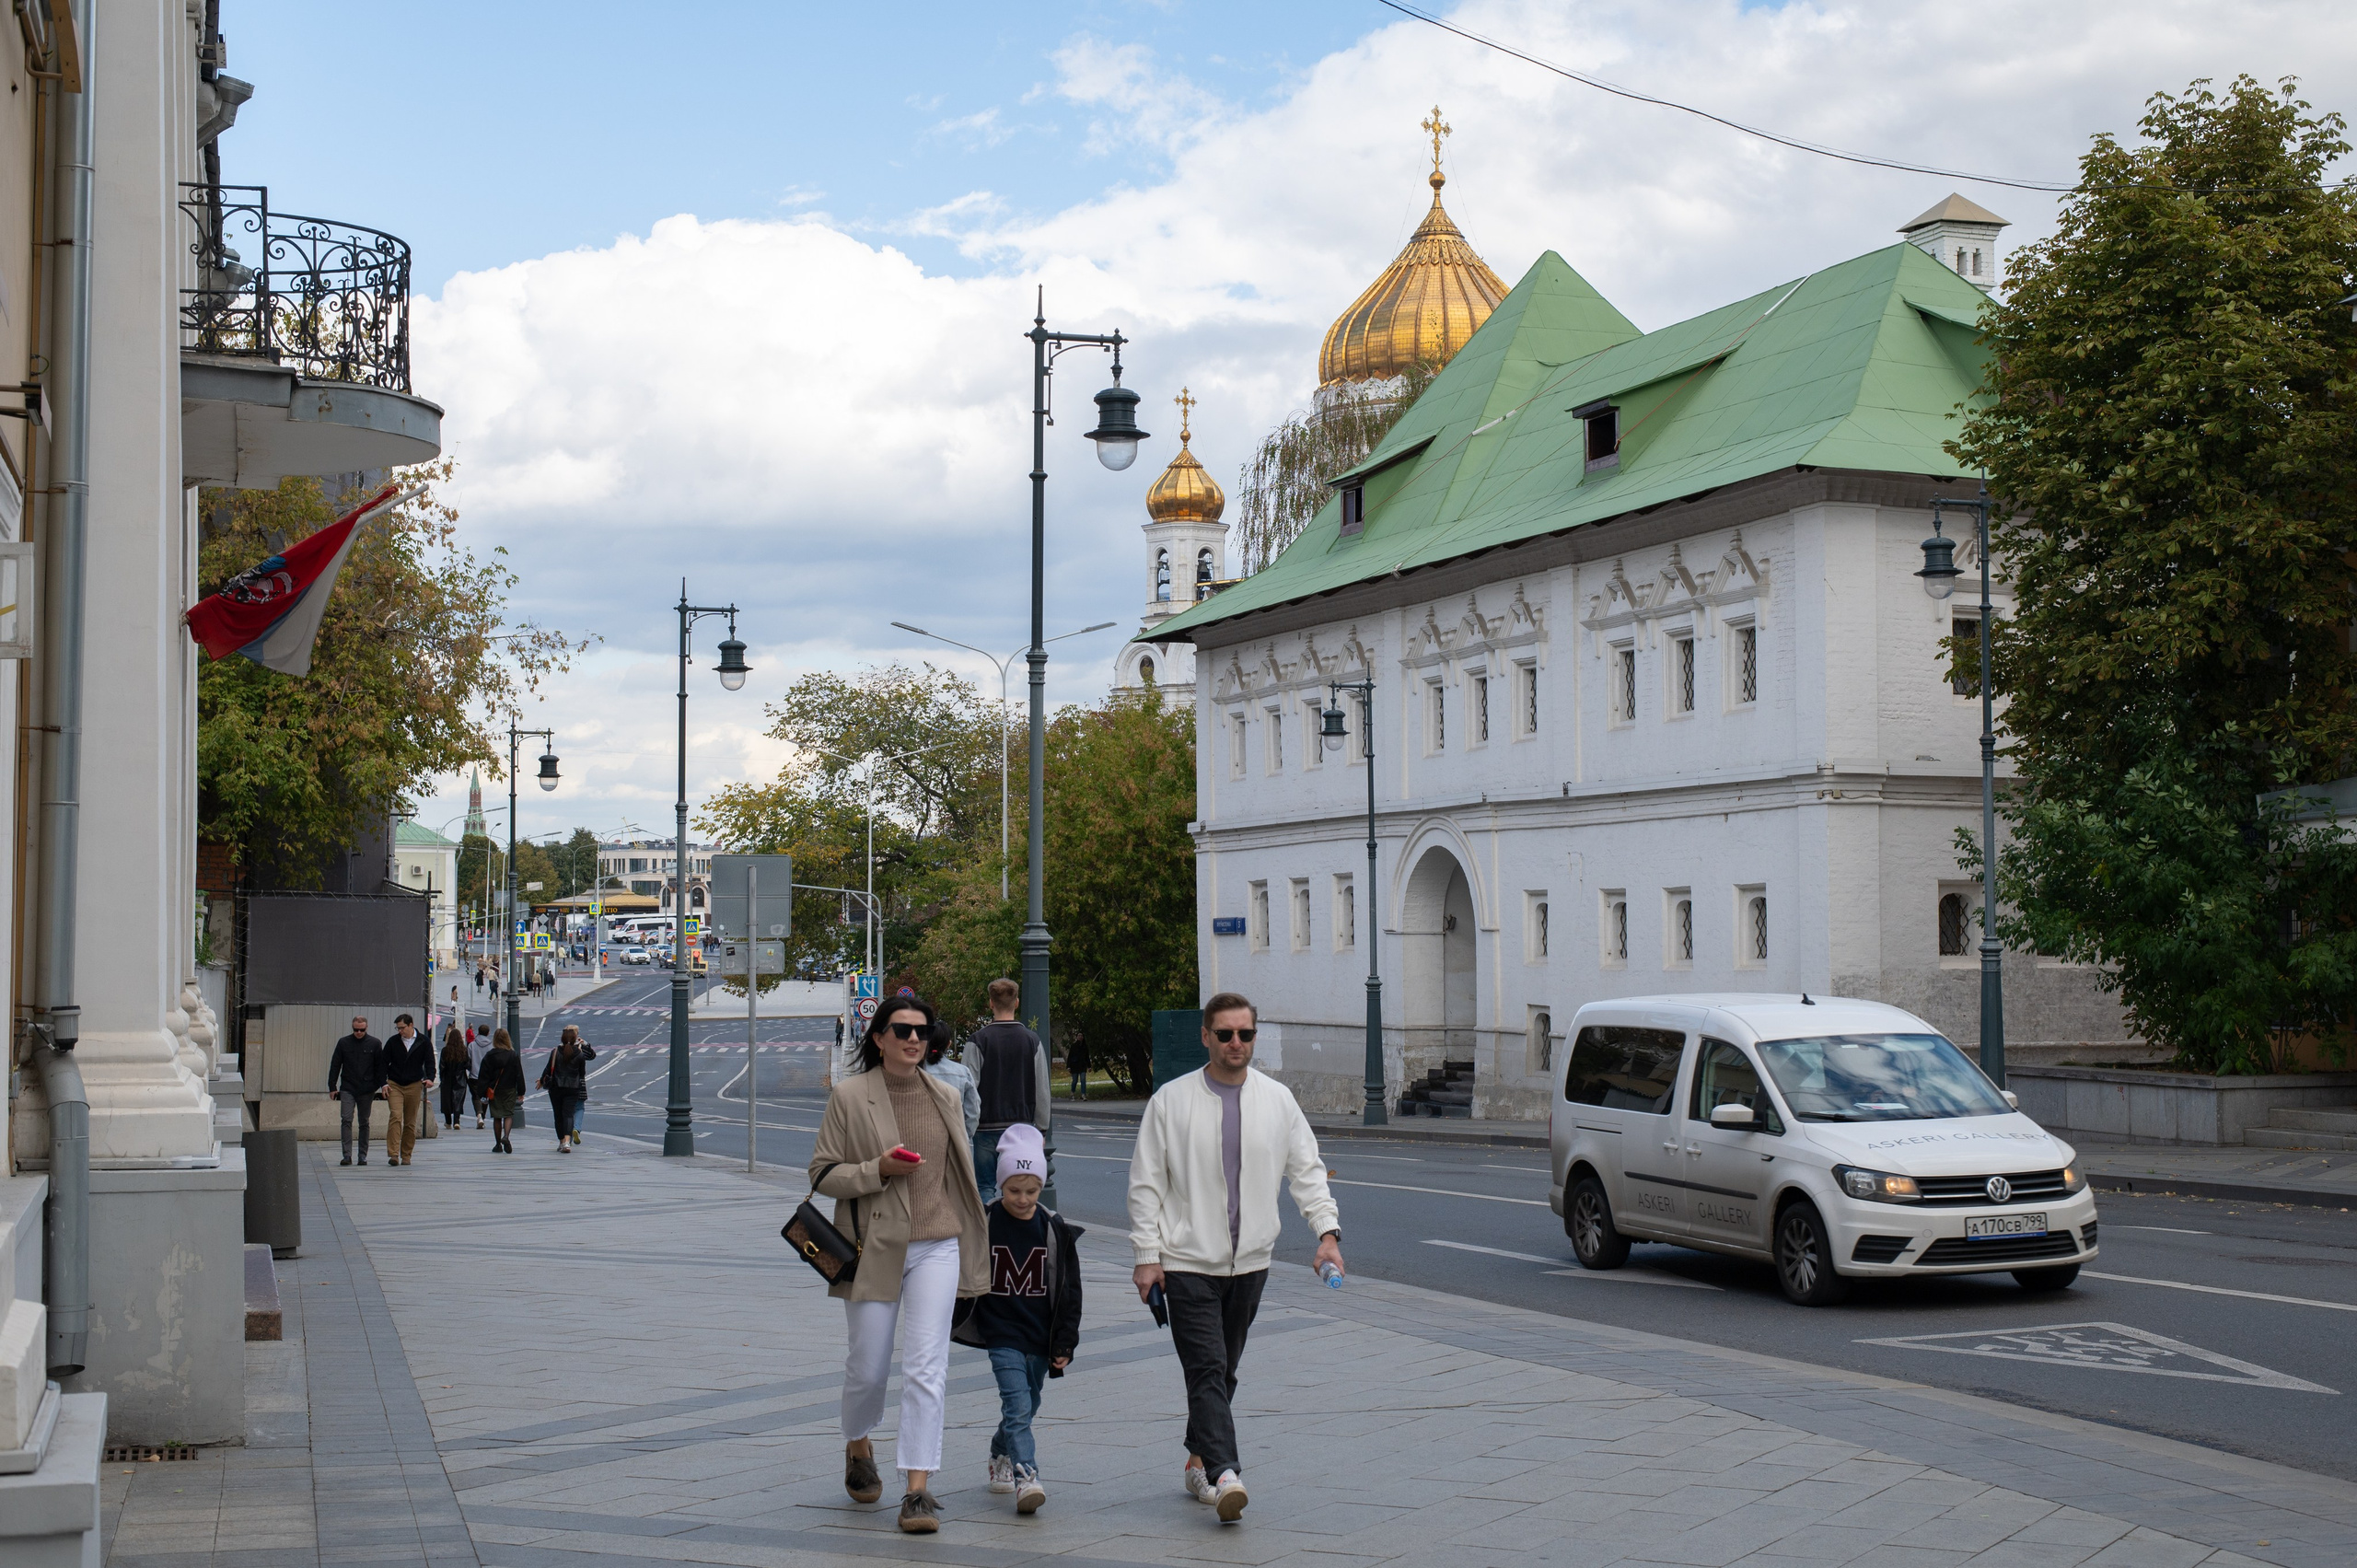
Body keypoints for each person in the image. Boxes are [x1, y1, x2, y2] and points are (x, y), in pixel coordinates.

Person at [1127, 992, 1342, 1526]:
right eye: (1225, 1034)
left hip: (1250, 1262)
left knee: (1224, 1370)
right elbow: (1146, 1184)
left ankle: (1197, 1457)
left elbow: (1307, 1171)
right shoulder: (1171, 1102)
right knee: (1206, 1368)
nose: (1235, 1044)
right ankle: (1226, 1475)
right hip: (1186, 1261)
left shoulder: (1277, 1100)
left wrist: (1327, 1234)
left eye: (1245, 1034)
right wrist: (1146, 1256)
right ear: (1206, 1037)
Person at [808, 993, 989, 1537]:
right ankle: (858, 1441)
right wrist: (877, 1170)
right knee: (868, 1366)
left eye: (922, 1031)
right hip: (874, 1246)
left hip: (938, 1243)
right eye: (902, 1030)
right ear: (879, 1038)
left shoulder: (945, 1095)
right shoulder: (849, 1095)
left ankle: (917, 1490)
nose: (914, 1039)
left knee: (928, 1368)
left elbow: (958, 1171)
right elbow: (821, 1174)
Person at [949, 1123, 1081, 1516]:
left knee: (1030, 1401)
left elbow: (1070, 1292)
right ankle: (1028, 1477)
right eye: (1013, 1191)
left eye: (1032, 1191)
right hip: (1001, 1333)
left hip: (1039, 1335)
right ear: (1001, 1185)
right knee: (1018, 1404)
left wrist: (1064, 1343)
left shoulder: (1053, 1228)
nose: (1022, 1200)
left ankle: (999, 1450)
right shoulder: (986, 1221)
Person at [970, 979, 1051, 1202]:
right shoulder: (1032, 1041)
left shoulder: (977, 1041)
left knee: (985, 1186)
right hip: (1022, 1128)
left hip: (985, 1126)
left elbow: (968, 1089)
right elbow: (1041, 1089)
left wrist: (968, 1125)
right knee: (1017, 1185)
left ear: (990, 1004)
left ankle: (987, 1231)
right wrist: (1041, 1129)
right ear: (1016, 1003)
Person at [325, 1016, 386, 1167]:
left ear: (366, 1028)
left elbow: (380, 1067)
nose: (358, 1032)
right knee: (346, 1119)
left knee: (364, 1122)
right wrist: (332, 1087)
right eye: (356, 1030)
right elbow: (335, 1064)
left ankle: (362, 1156)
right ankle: (347, 1155)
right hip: (348, 1087)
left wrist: (379, 1085)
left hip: (367, 1089)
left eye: (362, 1030)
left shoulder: (375, 1043)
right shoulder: (344, 1043)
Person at [380, 1013, 435, 1167]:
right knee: (396, 1116)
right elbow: (383, 1063)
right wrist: (383, 1083)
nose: (400, 1031)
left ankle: (406, 1155)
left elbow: (430, 1061)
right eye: (397, 1028)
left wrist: (430, 1077)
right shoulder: (393, 1042)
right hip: (395, 1084)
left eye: (402, 1028)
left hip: (414, 1084)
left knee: (410, 1122)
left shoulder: (423, 1041)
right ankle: (393, 1154)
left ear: (411, 1025)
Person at [540, 1026, 595, 1152]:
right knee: (569, 1114)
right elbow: (582, 1073)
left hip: (556, 1088)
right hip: (573, 1088)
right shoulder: (579, 1054)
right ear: (575, 1038)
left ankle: (561, 1142)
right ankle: (567, 1142)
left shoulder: (555, 1052)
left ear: (562, 1039)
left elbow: (548, 1069)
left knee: (558, 1116)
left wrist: (542, 1081)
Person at [923, 1022, 980, 1142]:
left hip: (923, 1138)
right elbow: (972, 1112)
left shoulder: (915, 1070)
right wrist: (965, 1136)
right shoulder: (963, 1072)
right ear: (949, 1044)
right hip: (955, 1139)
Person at [479, 1028, 526, 1154]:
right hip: (510, 1089)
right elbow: (519, 1074)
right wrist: (521, 1091)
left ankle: (498, 1144)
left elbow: (483, 1074)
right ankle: (506, 1136)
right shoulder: (513, 1055)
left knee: (497, 1116)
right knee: (508, 1114)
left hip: (495, 1090)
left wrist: (482, 1091)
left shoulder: (490, 1055)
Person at [437, 1026, 470, 1129]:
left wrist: (442, 1078)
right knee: (458, 1100)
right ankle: (457, 1121)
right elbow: (468, 1065)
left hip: (447, 1077)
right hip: (460, 1078)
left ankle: (448, 1122)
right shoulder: (463, 1050)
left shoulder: (445, 1050)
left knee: (447, 1099)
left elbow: (442, 1066)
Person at [465, 1025, 493, 1129]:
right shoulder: (491, 1046)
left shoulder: (472, 1045)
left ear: (478, 1032)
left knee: (476, 1096)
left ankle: (479, 1115)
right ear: (488, 1033)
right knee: (486, 1097)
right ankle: (482, 1117)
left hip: (474, 1075)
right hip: (487, 1076)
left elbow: (469, 1060)